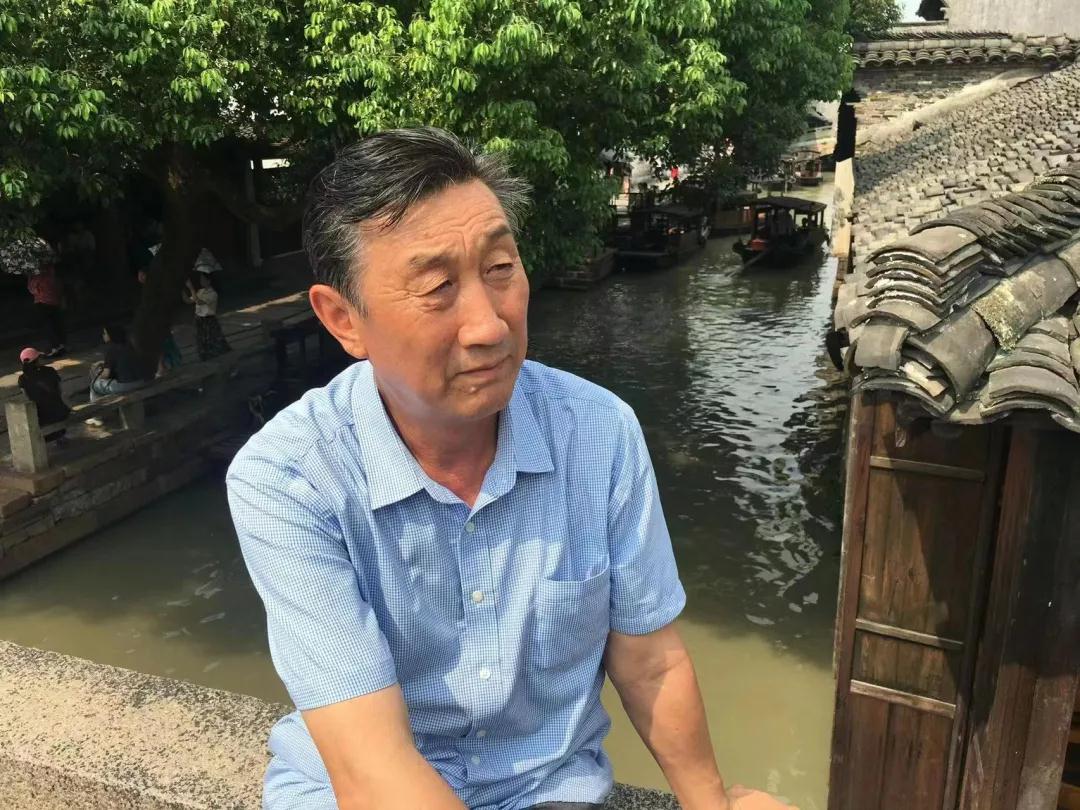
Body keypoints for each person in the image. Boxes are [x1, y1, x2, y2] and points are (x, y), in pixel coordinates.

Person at [226, 128, 795, 810]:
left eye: (500, 268)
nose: (490, 326)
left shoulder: (599, 433)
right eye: (437, 287)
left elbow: (650, 662)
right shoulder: (290, 478)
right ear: (344, 319)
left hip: (545, 788)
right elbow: (371, 767)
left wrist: (713, 805)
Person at [24, 239, 67, 358]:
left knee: (47, 324)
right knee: (55, 321)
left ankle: (55, 346)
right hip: (54, 295)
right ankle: (61, 344)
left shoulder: (36, 268)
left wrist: (29, 278)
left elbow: (33, 288)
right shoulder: (50, 264)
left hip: (42, 298)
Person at [17, 347, 70, 441]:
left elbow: (28, 398)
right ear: (37, 360)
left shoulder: (22, 379)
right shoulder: (50, 371)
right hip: (60, 413)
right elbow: (60, 391)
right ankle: (60, 437)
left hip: (41, 417)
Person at [89, 324, 150, 402]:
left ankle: (96, 407)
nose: (103, 335)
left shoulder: (111, 350)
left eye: (105, 333)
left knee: (94, 384)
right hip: (142, 381)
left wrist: (96, 375)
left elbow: (106, 375)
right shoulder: (130, 346)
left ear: (111, 335)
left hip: (128, 385)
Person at [183, 270, 230, 360]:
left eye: (203, 279)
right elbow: (189, 301)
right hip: (200, 319)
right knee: (203, 339)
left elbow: (199, 302)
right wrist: (182, 291)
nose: (201, 281)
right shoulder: (200, 291)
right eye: (201, 279)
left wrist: (191, 288)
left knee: (213, 339)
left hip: (209, 319)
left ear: (209, 281)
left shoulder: (213, 293)